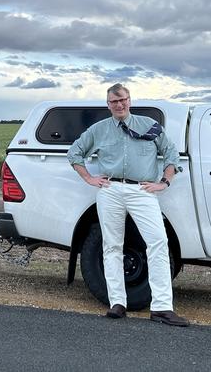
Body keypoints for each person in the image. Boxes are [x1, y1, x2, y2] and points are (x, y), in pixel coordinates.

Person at [67, 83, 188, 327]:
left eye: (123, 99)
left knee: (158, 243)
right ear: (108, 104)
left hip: (142, 191)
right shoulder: (98, 130)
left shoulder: (149, 127)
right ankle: (117, 303)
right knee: (112, 246)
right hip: (110, 190)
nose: (119, 104)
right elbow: (74, 153)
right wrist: (89, 178)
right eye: (114, 101)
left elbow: (171, 155)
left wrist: (164, 182)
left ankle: (162, 307)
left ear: (129, 100)